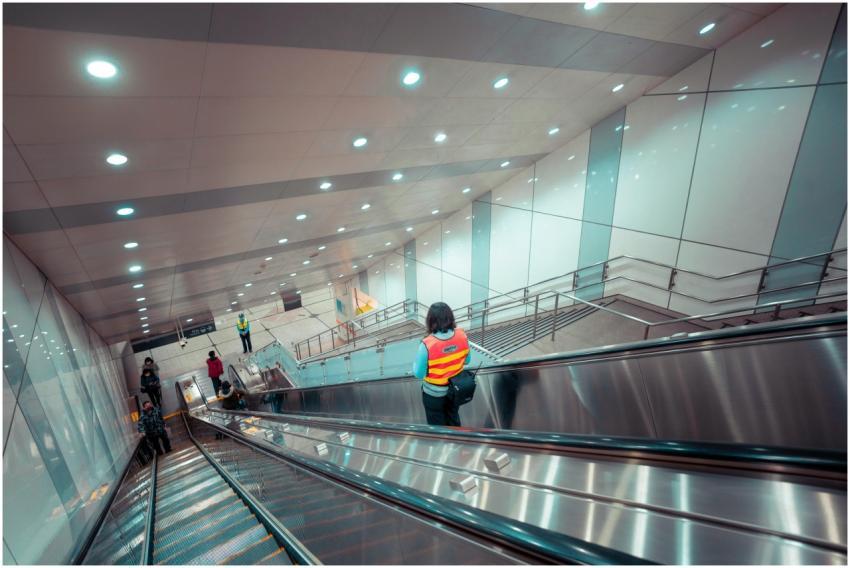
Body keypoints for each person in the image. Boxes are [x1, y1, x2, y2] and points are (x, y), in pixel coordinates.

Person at [413, 302, 471, 426]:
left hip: (434, 394)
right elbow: (467, 360)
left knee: (437, 427)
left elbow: (418, 374)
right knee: (453, 419)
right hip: (455, 390)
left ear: (430, 320)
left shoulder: (426, 344)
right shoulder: (462, 335)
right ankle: (456, 437)